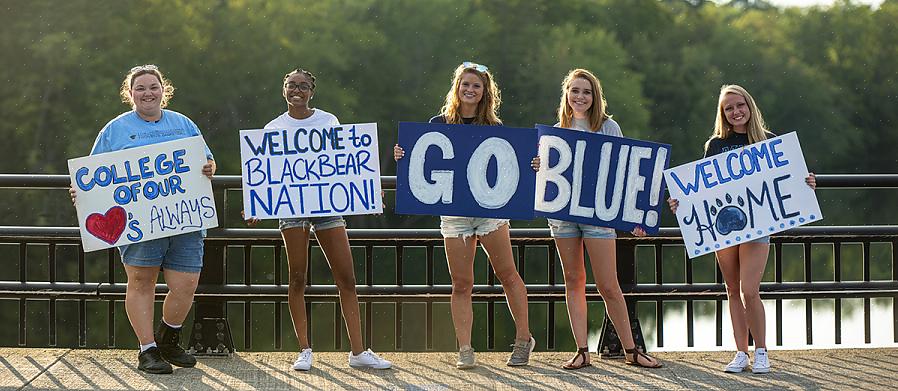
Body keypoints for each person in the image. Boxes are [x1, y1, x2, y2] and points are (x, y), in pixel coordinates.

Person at [70, 65, 216, 374]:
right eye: (140, 88)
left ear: (165, 90)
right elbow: (94, 174)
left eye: (153, 86)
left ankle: (169, 336)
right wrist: (81, 192)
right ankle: (147, 350)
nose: (148, 92)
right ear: (130, 93)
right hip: (139, 223)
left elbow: (206, 159)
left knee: (186, 284)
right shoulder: (114, 130)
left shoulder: (184, 124)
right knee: (141, 282)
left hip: (185, 219)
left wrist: (209, 168)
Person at [245, 68, 391, 371]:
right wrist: (256, 205)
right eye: (291, 85)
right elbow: (267, 173)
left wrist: (367, 195)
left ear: (312, 91)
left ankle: (358, 351)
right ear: (283, 89)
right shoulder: (273, 127)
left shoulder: (328, 120)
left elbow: (343, 164)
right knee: (297, 276)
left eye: (303, 86)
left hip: (327, 205)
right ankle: (305, 349)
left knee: (346, 277)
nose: (297, 90)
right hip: (291, 207)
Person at [393, 62, 534, 369]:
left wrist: (531, 163)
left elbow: (510, 168)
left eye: (476, 86)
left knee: (507, 274)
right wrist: (403, 156)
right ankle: (465, 348)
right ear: (456, 88)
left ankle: (524, 339)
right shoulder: (438, 123)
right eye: (465, 84)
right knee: (461, 282)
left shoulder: (495, 130)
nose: (470, 90)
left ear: (485, 93)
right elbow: (423, 162)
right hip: (454, 215)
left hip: (489, 213)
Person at [668, 84, 816, 374]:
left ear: (750, 107)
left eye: (740, 105)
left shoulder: (769, 142)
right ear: (722, 114)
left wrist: (806, 182)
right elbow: (703, 190)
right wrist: (681, 203)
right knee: (732, 290)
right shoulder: (715, 145)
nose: (736, 112)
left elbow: (788, 179)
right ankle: (740, 353)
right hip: (723, 227)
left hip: (758, 226)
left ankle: (761, 351)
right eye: (729, 108)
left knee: (750, 289)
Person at [531, 69, 662, 370]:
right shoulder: (555, 132)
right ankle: (581, 351)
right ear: (566, 94)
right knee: (573, 280)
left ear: (595, 96)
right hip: (562, 216)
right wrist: (538, 165)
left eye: (586, 91)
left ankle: (632, 350)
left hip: (597, 217)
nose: (580, 96)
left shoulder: (608, 127)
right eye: (575, 90)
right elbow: (546, 178)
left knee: (608, 284)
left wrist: (635, 218)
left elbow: (624, 174)